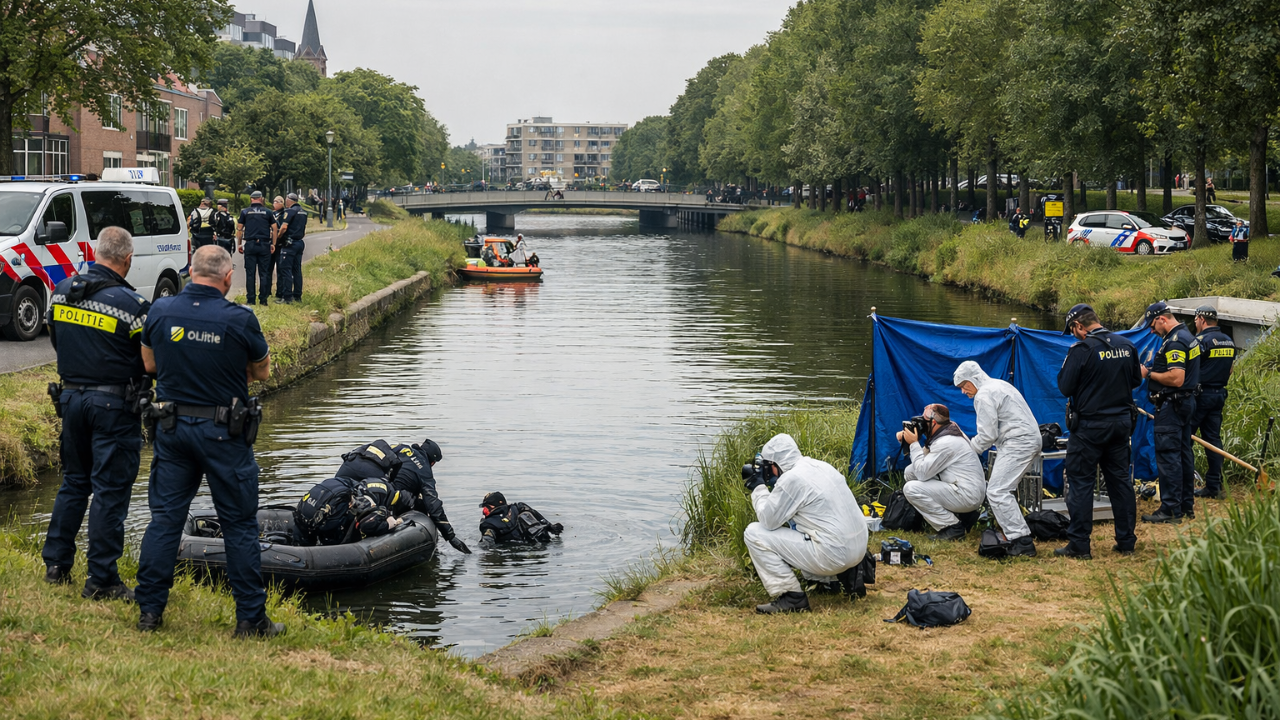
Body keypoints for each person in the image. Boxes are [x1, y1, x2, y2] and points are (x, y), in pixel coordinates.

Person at [134, 245, 283, 638]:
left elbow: (149, 363)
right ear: (228, 277)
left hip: (172, 430)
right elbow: (262, 371)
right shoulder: (239, 318)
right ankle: (250, 619)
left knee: (165, 520)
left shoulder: (161, 310)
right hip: (224, 433)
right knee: (238, 524)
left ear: (191, 271)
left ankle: (149, 612)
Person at [41, 227, 150, 601]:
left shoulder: (61, 291)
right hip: (114, 407)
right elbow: (149, 362)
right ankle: (102, 579)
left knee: (74, 482)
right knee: (109, 491)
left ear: (95, 252)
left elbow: (56, 338)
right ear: (128, 259)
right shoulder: (133, 306)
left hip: (70, 399)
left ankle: (56, 565)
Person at [742, 433, 867, 614]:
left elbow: (768, 520)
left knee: (754, 533)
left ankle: (791, 597)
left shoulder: (791, 479)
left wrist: (758, 487)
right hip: (859, 550)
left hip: (835, 555)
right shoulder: (821, 466)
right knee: (806, 524)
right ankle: (834, 580)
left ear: (774, 464)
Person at [1056, 304, 1142, 558]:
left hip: (1089, 427)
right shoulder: (1127, 345)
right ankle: (1126, 541)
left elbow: (1065, 386)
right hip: (1120, 424)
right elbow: (1136, 380)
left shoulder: (1081, 350)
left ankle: (1079, 544)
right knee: (1120, 482)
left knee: (1081, 482)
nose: (1073, 335)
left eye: (1072, 330)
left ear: (1079, 326)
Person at [953, 361, 1039, 556]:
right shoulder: (1000, 385)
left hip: (1018, 442)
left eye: (964, 385)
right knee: (1003, 489)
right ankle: (1018, 535)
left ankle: (1021, 540)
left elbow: (988, 434)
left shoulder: (983, 395)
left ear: (973, 379)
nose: (963, 391)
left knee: (997, 491)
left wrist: (971, 450)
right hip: (1026, 439)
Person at [334, 439, 471, 553]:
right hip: (381, 491)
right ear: (432, 462)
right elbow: (434, 506)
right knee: (411, 501)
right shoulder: (425, 472)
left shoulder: (400, 448)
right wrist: (450, 536)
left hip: (352, 476)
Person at [1141, 301, 1201, 524]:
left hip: (1172, 406)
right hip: (1185, 403)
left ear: (1162, 319)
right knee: (1184, 454)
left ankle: (1170, 509)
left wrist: (1148, 373)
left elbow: (1176, 378)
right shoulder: (1187, 335)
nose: (1151, 331)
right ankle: (1186, 505)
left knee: (1169, 457)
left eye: (1152, 325)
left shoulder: (1175, 342)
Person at [899, 404, 987, 541]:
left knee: (911, 488)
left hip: (967, 495)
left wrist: (914, 444)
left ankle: (952, 527)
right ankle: (959, 517)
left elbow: (922, 473)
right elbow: (922, 464)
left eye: (923, 420)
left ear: (933, 422)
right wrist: (907, 440)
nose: (921, 424)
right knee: (910, 472)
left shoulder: (946, 442)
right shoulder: (948, 430)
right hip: (961, 486)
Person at [1190, 306, 1235, 499]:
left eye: (1195, 319)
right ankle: (1214, 486)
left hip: (1200, 396)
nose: (1195, 323)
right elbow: (1230, 369)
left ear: (1201, 319)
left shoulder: (1200, 341)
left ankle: (1183, 485)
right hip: (1219, 395)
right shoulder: (1229, 341)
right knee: (1213, 441)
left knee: (1185, 438)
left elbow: (1190, 369)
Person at [295, 475, 402, 546]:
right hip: (325, 522)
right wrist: (391, 522)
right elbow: (369, 523)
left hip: (304, 517)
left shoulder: (350, 485)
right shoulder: (366, 498)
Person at [477, 492, 563, 546]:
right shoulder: (521, 508)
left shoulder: (488, 524)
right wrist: (554, 528)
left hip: (518, 551)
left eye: (485, 506)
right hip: (543, 542)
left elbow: (486, 544)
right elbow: (549, 526)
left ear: (491, 507)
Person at [236, 191, 276, 306]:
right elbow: (274, 228)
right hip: (264, 244)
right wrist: (273, 243)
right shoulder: (268, 212)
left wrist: (239, 244)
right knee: (264, 273)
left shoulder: (245, 212)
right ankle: (263, 299)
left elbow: (239, 229)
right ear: (261, 199)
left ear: (251, 199)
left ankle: (251, 299)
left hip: (250, 244)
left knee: (250, 273)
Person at [277, 193, 307, 303]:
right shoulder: (303, 212)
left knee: (286, 270)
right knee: (297, 270)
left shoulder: (290, 211)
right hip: (299, 242)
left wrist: (278, 237)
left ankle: (287, 297)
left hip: (289, 243)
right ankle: (297, 295)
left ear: (289, 200)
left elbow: (284, 227)